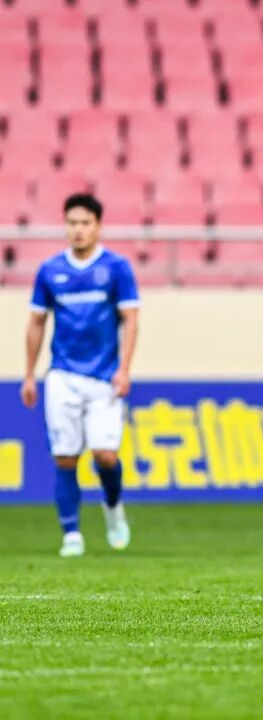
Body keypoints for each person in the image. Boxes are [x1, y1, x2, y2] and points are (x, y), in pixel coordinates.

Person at [21, 193, 139, 558]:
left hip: (104, 377)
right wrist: (29, 374)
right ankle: (71, 533)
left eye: (85, 223)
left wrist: (124, 368)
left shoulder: (116, 269)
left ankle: (113, 507)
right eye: (72, 223)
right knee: (65, 457)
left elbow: (130, 319)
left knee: (105, 456)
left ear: (98, 226)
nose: (78, 230)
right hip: (63, 375)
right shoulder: (50, 271)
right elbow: (37, 322)